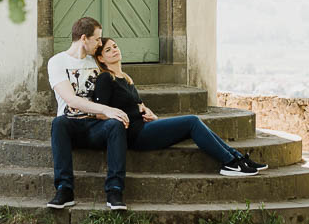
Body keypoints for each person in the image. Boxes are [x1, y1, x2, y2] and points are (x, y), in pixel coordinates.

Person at [88, 37, 267, 177]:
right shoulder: (105, 78)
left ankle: (237, 158)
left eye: (115, 46)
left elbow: (136, 104)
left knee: (194, 123)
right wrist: (130, 113)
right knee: (192, 121)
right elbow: (100, 113)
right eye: (108, 50)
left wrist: (147, 110)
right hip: (134, 135)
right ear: (101, 58)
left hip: (144, 126)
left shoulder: (126, 78)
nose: (114, 50)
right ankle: (229, 162)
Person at [46, 17, 132, 211]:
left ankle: (115, 191)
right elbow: (71, 100)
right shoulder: (57, 62)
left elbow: (119, 79)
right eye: (98, 39)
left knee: (116, 125)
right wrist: (106, 109)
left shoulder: (96, 61)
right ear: (84, 38)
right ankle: (64, 190)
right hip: (71, 127)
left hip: (97, 127)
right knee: (58, 123)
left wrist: (140, 104)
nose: (100, 44)